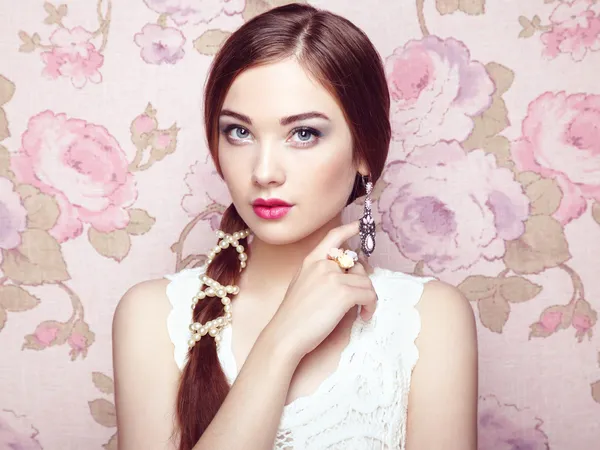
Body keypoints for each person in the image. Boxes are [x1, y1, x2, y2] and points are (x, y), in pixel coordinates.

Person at [112, 3, 478, 450]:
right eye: (239, 133)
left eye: (303, 133)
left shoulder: (428, 319)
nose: (264, 171)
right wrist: (282, 340)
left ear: (364, 151)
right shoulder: (152, 315)